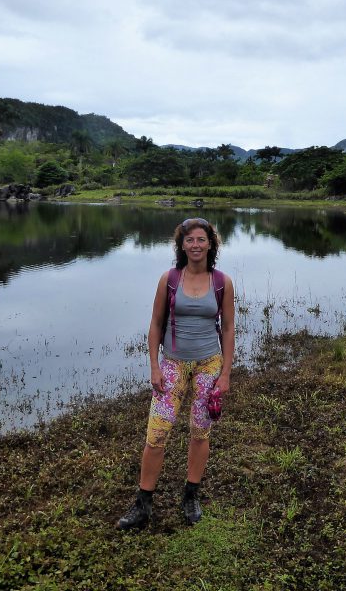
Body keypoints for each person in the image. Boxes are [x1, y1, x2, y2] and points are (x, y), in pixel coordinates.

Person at [116, 217, 235, 529]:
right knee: (156, 435)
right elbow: (156, 324)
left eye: (201, 240)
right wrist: (154, 366)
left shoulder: (222, 282)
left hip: (208, 365)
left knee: (200, 431)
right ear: (181, 245)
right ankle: (143, 503)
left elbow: (229, 327)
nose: (195, 245)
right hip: (172, 364)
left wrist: (225, 373)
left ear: (211, 244)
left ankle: (190, 495)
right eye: (189, 240)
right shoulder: (169, 279)